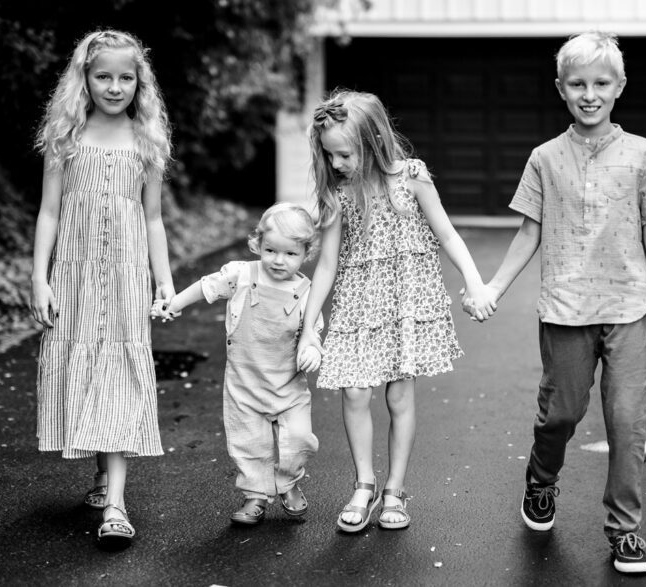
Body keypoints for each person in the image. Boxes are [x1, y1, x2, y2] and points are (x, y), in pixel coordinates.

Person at [467, 31, 646, 574]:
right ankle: (542, 480)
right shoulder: (544, 158)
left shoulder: (644, 156)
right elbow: (528, 232)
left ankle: (625, 530)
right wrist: (494, 286)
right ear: (561, 88)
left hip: (631, 306)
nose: (590, 93)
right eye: (578, 83)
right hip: (565, 307)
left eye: (601, 83)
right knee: (561, 412)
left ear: (620, 87)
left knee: (628, 420)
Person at [295, 89, 496, 534]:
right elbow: (326, 263)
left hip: (406, 299)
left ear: (373, 141)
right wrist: (310, 327)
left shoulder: (413, 177)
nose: (336, 164)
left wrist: (474, 281)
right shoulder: (339, 193)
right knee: (353, 391)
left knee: (398, 396)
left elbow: (447, 235)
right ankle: (363, 484)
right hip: (359, 300)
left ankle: (394, 489)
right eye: (329, 156)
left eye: (344, 155)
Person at [29, 29, 175, 543]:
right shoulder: (65, 136)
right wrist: (38, 278)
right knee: (83, 362)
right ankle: (100, 468)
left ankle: (116, 504)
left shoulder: (147, 137)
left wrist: (164, 281)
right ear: (85, 79)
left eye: (126, 77)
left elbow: (153, 217)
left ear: (140, 82)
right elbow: (49, 212)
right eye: (103, 76)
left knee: (117, 366)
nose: (115, 87)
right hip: (73, 272)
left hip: (127, 275)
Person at [152, 203, 323, 525]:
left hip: (288, 385)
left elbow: (312, 331)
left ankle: (288, 481)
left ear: (306, 254)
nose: (278, 260)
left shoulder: (306, 292)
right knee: (249, 444)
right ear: (257, 244)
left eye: (290, 254)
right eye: (270, 250)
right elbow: (206, 287)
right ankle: (255, 496)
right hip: (244, 383)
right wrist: (175, 303)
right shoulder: (242, 275)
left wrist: (312, 349)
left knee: (299, 439)